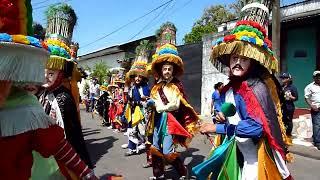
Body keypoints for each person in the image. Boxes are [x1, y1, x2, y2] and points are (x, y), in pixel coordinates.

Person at [0, 1, 97, 179]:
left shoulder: (31, 105)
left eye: (52, 72)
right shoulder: (34, 97)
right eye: (45, 71)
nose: (45, 76)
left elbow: (57, 143)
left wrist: (84, 172)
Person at [198, 2, 292, 179]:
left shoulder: (255, 87)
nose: (238, 62)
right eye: (234, 57)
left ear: (253, 62)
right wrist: (221, 116)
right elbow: (233, 112)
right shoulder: (230, 87)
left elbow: (256, 127)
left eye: (244, 59)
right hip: (236, 153)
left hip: (255, 160)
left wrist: (217, 127)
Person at [149, 44, 199, 180]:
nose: (166, 71)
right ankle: (158, 174)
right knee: (154, 147)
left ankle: (183, 172)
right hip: (157, 120)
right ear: (161, 70)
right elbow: (154, 101)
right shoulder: (156, 87)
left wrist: (161, 107)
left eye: (169, 69)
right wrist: (150, 105)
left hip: (170, 121)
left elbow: (176, 105)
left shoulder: (176, 86)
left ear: (173, 70)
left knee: (167, 151)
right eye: (164, 69)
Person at [125, 61, 151, 156]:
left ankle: (150, 150)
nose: (137, 78)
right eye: (136, 76)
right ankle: (131, 148)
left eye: (140, 76)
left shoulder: (145, 87)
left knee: (144, 132)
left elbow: (147, 101)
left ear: (143, 78)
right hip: (133, 112)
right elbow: (129, 99)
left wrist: (141, 101)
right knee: (132, 130)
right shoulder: (132, 88)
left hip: (143, 113)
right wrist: (130, 101)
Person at [280, 73, 298, 145]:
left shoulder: (292, 87)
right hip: (282, 106)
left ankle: (288, 135)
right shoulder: (282, 86)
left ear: (289, 79)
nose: (283, 79)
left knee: (288, 121)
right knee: (282, 120)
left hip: (289, 107)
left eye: (284, 78)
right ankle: (283, 135)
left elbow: (296, 98)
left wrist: (291, 97)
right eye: (282, 78)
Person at [304, 71, 320, 150]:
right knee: (317, 125)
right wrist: (311, 105)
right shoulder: (309, 87)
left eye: (319, 76)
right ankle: (317, 142)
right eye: (317, 76)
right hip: (316, 108)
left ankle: (316, 137)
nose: (319, 78)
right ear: (314, 78)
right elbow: (306, 97)